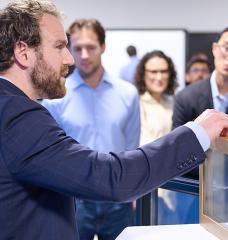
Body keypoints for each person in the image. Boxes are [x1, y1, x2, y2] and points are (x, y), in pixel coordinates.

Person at [0, 1, 228, 240]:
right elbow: (109, 176)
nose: (70, 59)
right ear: (23, 52)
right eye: (60, 47)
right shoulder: (16, 115)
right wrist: (197, 133)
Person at [42, 19, 140, 240]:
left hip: (117, 197)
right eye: (77, 48)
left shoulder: (128, 94)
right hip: (73, 200)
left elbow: (132, 146)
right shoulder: (56, 98)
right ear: (69, 50)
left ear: (103, 47)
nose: (84, 55)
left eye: (91, 47)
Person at [171, 27, 228, 224]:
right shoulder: (186, 98)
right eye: (226, 47)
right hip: (195, 192)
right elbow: (178, 152)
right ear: (215, 48)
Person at [134, 50, 178, 145]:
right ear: (143, 74)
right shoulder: (136, 104)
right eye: (153, 72)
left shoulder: (173, 102)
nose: (159, 77)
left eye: (164, 71)